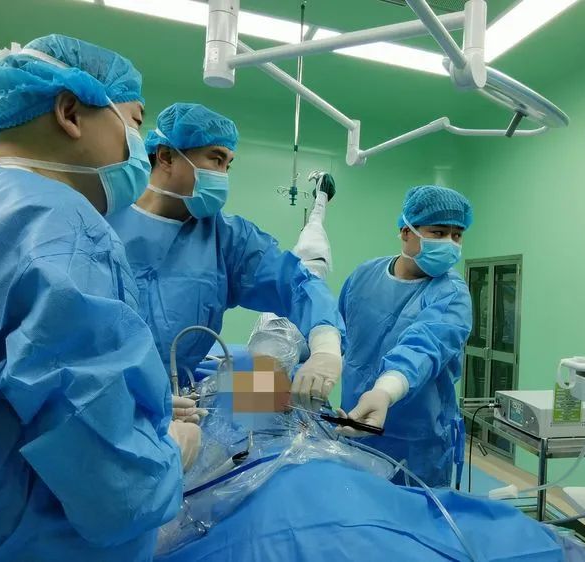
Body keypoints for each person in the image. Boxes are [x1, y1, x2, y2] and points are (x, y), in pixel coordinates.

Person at [0, 35, 199, 562]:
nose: (138, 147)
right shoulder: (60, 225)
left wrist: (137, 408)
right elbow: (116, 490)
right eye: (134, 121)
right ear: (69, 112)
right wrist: (171, 452)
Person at [106, 103, 344, 411]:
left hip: (175, 408)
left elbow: (298, 283)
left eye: (228, 165)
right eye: (216, 160)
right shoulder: (101, 217)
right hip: (98, 405)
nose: (222, 175)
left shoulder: (228, 239)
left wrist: (325, 347)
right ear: (166, 156)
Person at [339, 185, 473, 487]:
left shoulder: (451, 293)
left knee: (413, 512)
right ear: (406, 232)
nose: (450, 243)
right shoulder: (364, 276)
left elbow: (424, 347)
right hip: (356, 427)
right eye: (438, 232)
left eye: (457, 235)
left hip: (418, 445)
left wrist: (384, 391)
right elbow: (337, 332)